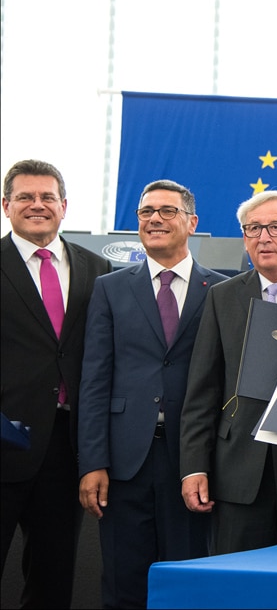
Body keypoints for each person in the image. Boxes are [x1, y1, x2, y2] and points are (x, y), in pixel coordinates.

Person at [77, 180, 228, 608]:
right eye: (146, 212)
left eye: (166, 211)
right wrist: (93, 461)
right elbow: (94, 379)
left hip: (193, 462)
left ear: (192, 222)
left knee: (189, 583)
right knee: (124, 584)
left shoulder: (220, 291)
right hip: (124, 466)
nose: (154, 219)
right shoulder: (110, 288)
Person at [179, 190, 277, 555]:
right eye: (253, 228)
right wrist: (193, 468)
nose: (263, 237)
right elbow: (202, 390)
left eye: (276, 227)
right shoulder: (222, 296)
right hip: (237, 474)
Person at [1, 159, 111, 608]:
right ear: (6, 205)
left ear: (64, 206)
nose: (37, 205)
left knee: (52, 578)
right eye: (25, 197)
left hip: (66, 451)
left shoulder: (98, 269)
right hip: (3, 442)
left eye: (47, 197)